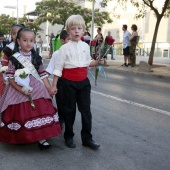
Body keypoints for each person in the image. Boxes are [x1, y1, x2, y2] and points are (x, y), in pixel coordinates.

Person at [0, 28, 61, 149]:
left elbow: (42, 74)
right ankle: (22, 136)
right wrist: (19, 89)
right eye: (25, 40)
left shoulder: (37, 57)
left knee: (41, 109)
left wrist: (49, 88)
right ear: (18, 41)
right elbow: (10, 77)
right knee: (20, 112)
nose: (29, 43)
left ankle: (41, 138)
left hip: (36, 87)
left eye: (32, 40)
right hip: (18, 88)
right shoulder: (14, 58)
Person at [51, 15, 100, 150]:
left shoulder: (85, 46)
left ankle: (87, 138)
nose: (76, 31)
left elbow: (87, 62)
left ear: (83, 31)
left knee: (86, 111)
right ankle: (69, 136)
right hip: (68, 83)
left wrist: (96, 62)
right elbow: (58, 68)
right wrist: (54, 85)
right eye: (73, 29)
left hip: (83, 83)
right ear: (68, 31)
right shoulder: (64, 49)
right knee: (69, 111)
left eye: (79, 28)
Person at [46, 30, 70, 128]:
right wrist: (40, 80)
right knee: (60, 102)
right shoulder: (56, 54)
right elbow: (50, 68)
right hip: (60, 82)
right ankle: (61, 119)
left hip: (72, 82)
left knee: (70, 104)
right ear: (62, 41)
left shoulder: (77, 53)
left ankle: (68, 121)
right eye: (68, 39)